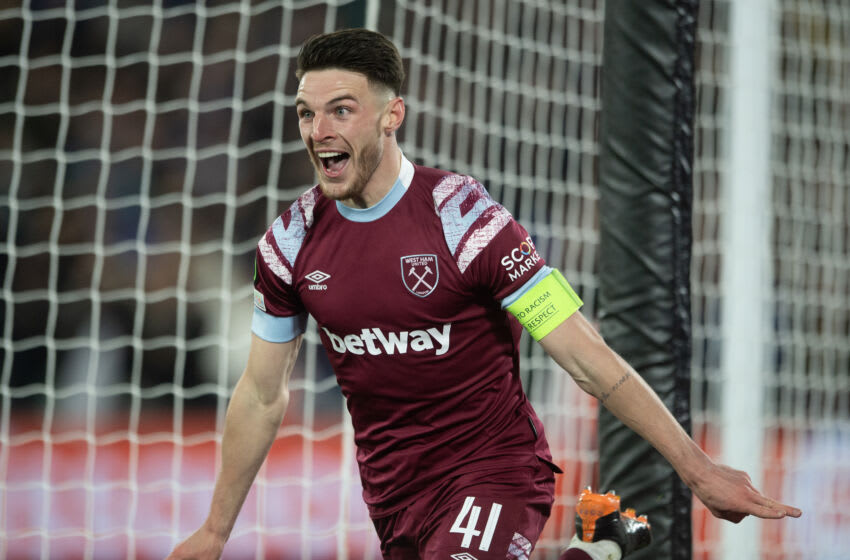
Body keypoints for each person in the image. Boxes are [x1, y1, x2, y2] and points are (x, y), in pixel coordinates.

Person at [167, 28, 801, 560]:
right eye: (307, 113)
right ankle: (599, 545)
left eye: (341, 110)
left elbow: (584, 355)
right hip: (393, 497)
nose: (318, 130)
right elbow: (261, 392)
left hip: (496, 469)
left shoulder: (464, 220)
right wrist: (215, 531)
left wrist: (697, 469)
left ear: (392, 115)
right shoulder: (290, 244)